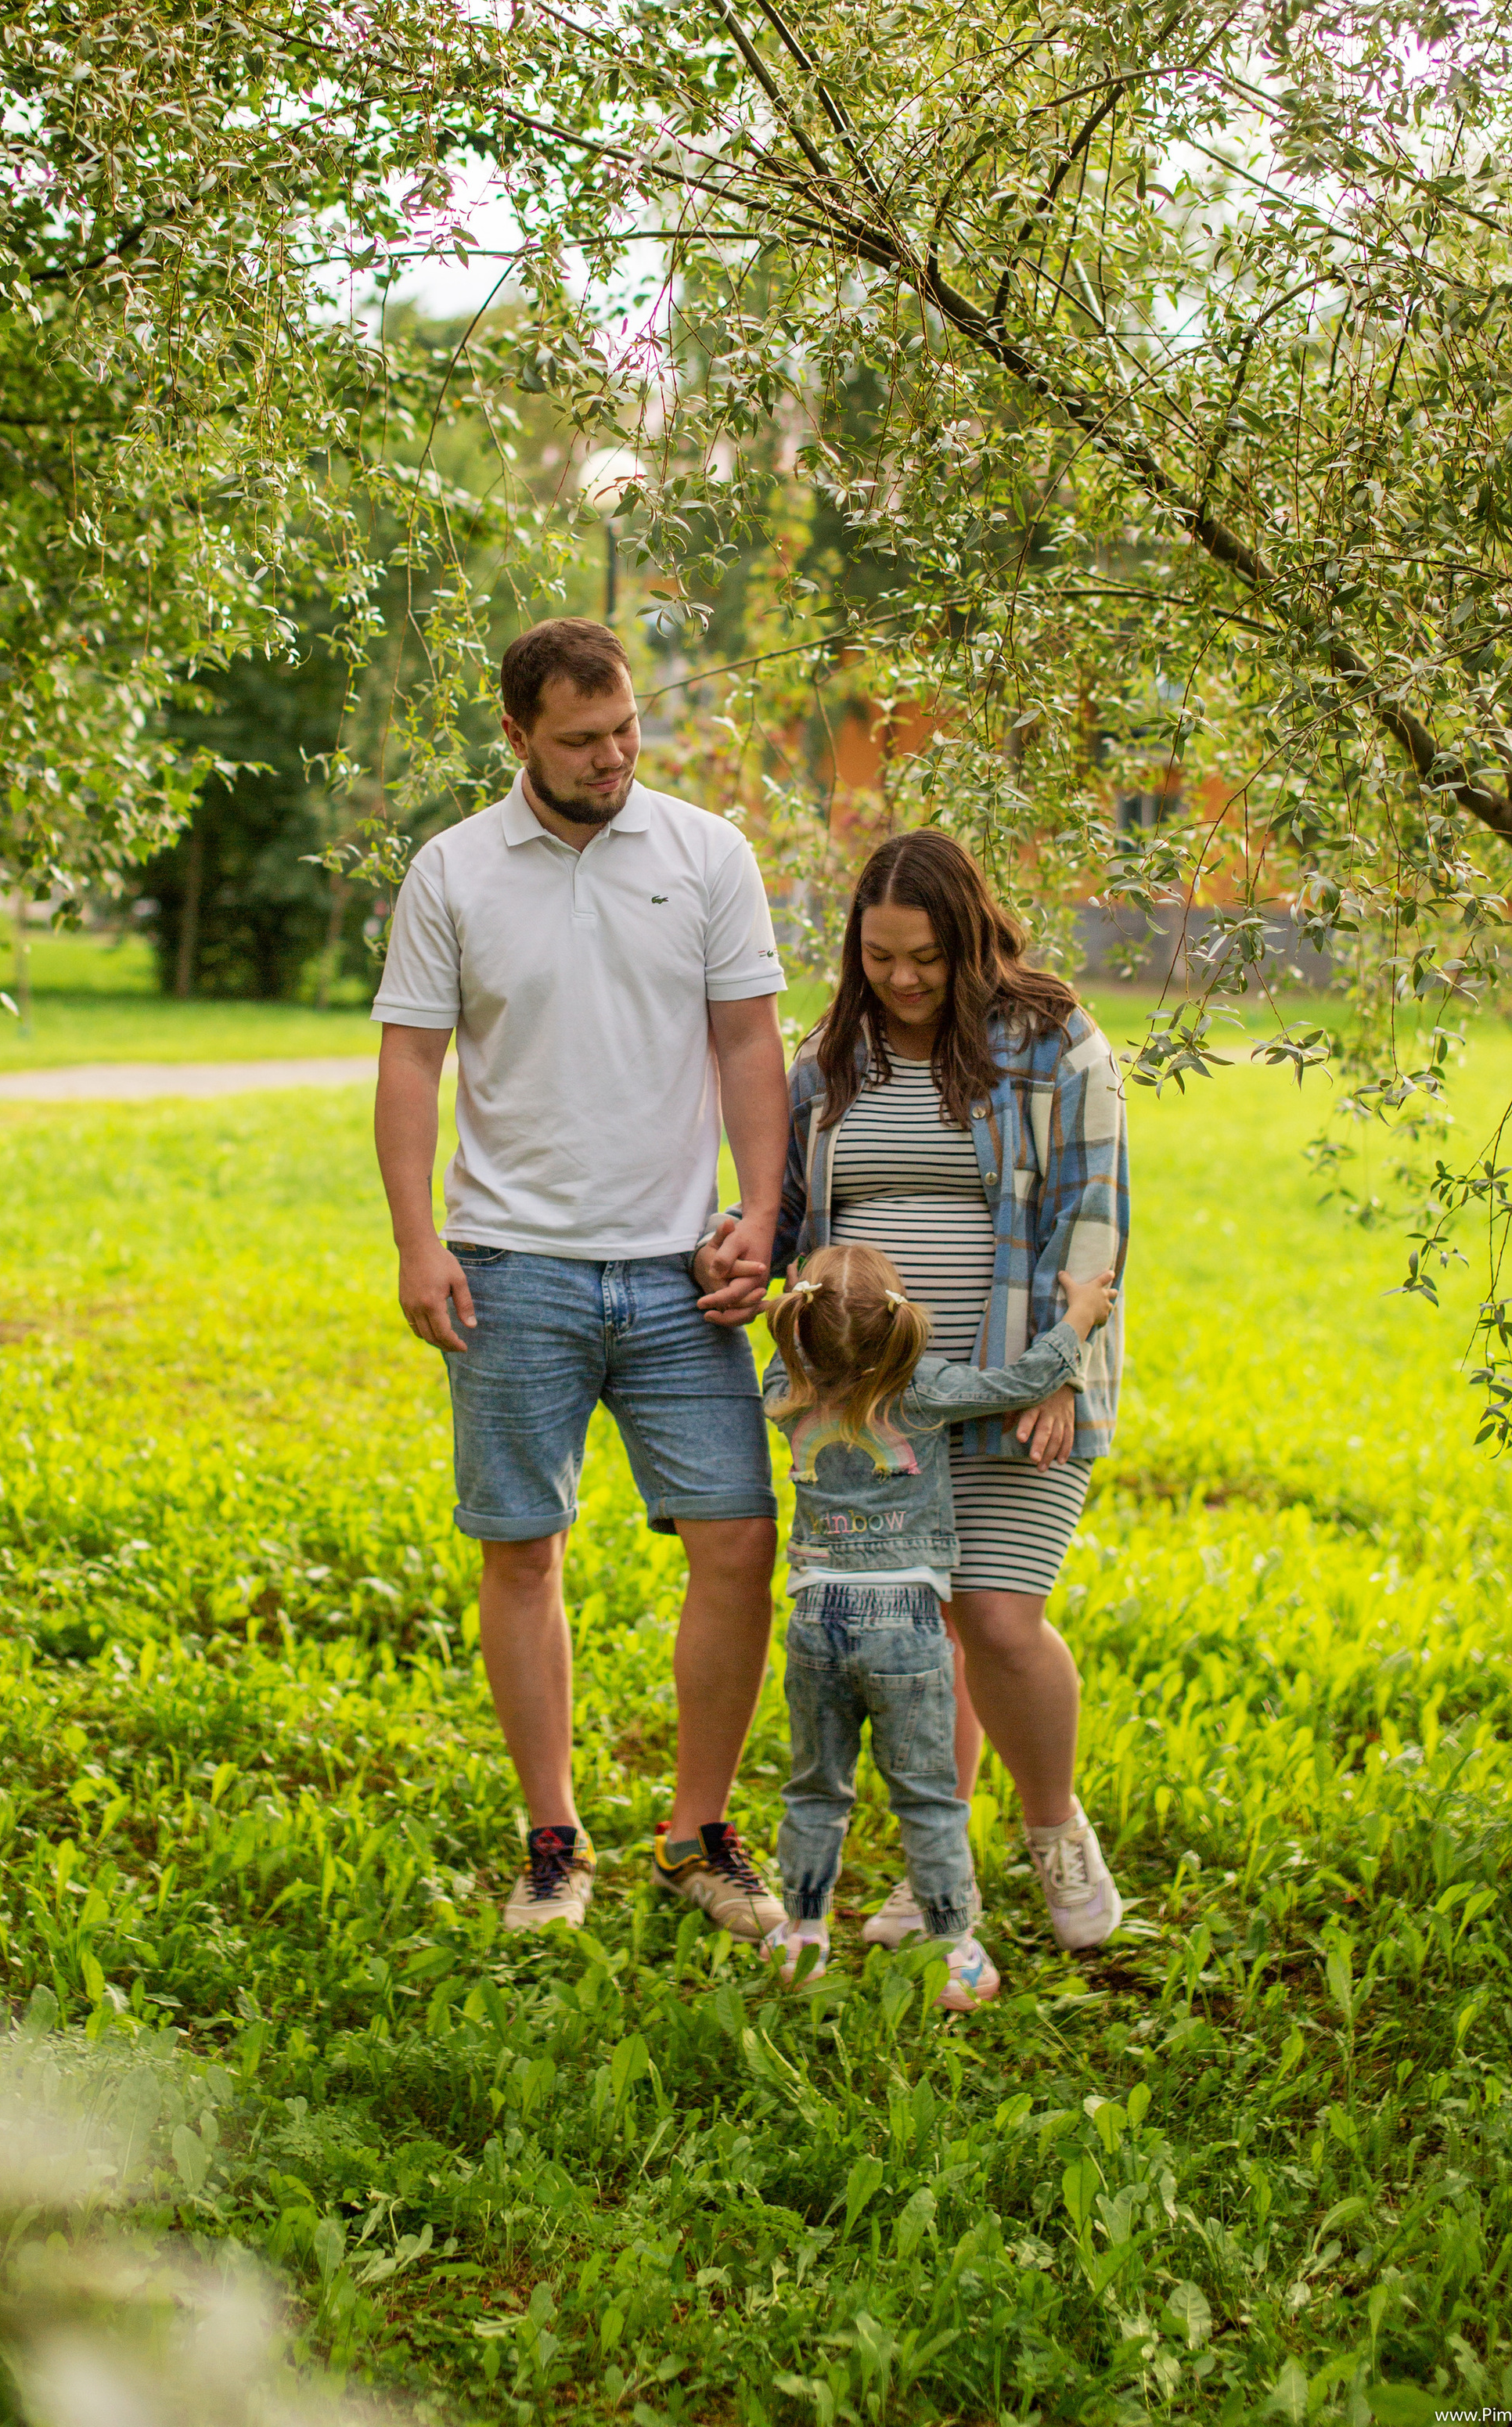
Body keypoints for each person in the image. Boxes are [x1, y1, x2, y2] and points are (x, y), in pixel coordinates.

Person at [372, 618, 793, 1940]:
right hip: (513, 1266)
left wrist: (763, 1218)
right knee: (523, 1552)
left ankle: (699, 1834)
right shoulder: (452, 873)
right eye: (580, 741)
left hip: (680, 1273)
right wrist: (415, 1240)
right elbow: (410, 1067)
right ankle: (553, 1840)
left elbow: (748, 1044)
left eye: (624, 732)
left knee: (737, 1541)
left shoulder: (707, 854)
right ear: (517, 738)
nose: (613, 758)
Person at [706, 826, 1129, 1957]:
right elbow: (785, 1214)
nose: (902, 979)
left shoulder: (1051, 1042)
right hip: (876, 1405)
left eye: (927, 957)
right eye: (881, 955)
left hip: (1018, 1379)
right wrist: (737, 1250)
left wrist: (1066, 1370)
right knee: (914, 1627)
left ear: (973, 940)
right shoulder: (829, 1063)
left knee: (994, 1617)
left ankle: (1053, 1833)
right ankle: (928, 1873)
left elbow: (1093, 1215)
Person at [762, 1241, 1121, 2009]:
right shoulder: (921, 1387)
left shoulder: (785, 1384)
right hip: (906, 1625)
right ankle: (954, 1949)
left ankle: (802, 1937)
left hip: (814, 1616)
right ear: (902, 1324)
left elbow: (784, 1338)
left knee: (814, 1791)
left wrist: (796, 1307)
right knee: (927, 1797)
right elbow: (1021, 1380)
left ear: (802, 1317)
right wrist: (1082, 1317)